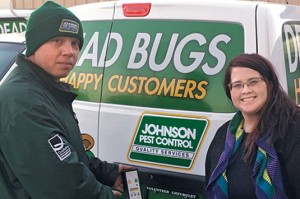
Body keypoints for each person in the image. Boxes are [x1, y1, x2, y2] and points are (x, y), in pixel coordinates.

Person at [0, 1, 131, 199]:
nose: (69, 51)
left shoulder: (46, 89)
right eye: (58, 41)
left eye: (75, 43)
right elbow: (61, 186)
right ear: (35, 44)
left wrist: (106, 172)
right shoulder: (23, 101)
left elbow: (65, 152)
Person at [205, 53, 300, 198]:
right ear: (229, 91)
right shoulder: (224, 134)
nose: (246, 90)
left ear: (270, 84)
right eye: (237, 85)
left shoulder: (293, 129)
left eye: (253, 82)